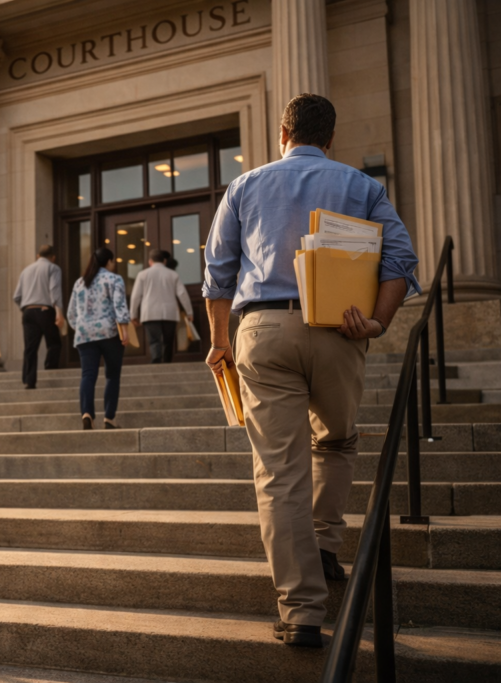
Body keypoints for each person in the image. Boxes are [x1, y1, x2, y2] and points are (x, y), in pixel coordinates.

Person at [202, 94, 419, 648]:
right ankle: (325, 541)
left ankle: (301, 612)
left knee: (279, 474)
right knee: (339, 441)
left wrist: (220, 340)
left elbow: (217, 272)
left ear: (282, 133)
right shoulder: (362, 186)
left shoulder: (246, 185)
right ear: (330, 139)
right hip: (339, 330)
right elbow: (400, 260)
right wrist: (375, 323)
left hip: (263, 332)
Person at [67, 247, 130, 430]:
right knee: (112, 375)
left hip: (84, 335)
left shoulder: (80, 282)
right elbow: (119, 306)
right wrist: (124, 329)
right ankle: (109, 417)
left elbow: (71, 313)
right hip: (109, 333)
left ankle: (87, 413)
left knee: (88, 375)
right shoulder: (114, 279)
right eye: (113, 260)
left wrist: (81, 327)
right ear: (109, 261)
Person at [13, 244, 65, 389]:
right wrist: (59, 313)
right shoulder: (53, 268)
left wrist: (26, 309)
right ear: (52, 257)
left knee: (30, 348)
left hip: (28, 311)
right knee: (54, 343)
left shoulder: (26, 271)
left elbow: (16, 296)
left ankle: (29, 381)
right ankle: (50, 371)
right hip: (45, 310)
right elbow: (54, 291)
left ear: (37, 256)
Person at [130, 248, 193, 363]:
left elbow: (135, 296)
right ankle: (167, 361)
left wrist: (133, 314)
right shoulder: (173, 274)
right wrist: (189, 312)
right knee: (168, 341)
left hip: (149, 312)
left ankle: (156, 360)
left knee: (154, 340)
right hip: (170, 312)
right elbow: (182, 294)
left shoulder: (142, 274)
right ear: (164, 261)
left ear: (150, 261)